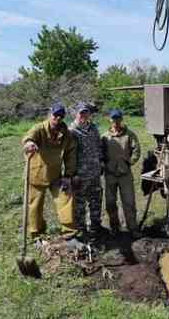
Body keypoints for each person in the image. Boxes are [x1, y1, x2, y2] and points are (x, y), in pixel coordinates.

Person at [22, 103, 80, 246]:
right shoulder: (39, 128)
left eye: (61, 116)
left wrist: (68, 175)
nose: (58, 118)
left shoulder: (66, 133)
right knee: (35, 206)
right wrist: (29, 143)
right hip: (36, 174)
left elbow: (71, 154)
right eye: (55, 115)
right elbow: (29, 137)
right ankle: (37, 235)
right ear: (50, 114)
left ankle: (69, 235)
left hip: (55, 176)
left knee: (66, 199)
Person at [102, 109, 141, 239]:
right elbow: (100, 154)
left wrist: (130, 162)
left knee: (129, 202)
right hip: (110, 175)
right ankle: (114, 228)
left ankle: (133, 228)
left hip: (125, 174)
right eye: (113, 119)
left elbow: (136, 150)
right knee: (110, 203)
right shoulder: (105, 137)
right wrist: (104, 165)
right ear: (110, 120)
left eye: (118, 118)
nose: (116, 122)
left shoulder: (130, 135)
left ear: (121, 119)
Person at [69, 102, 103, 240]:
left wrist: (101, 162)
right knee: (80, 204)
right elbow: (68, 155)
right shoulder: (71, 131)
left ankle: (96, 226)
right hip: (80, 175)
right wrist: (73, 174)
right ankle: (82, 230)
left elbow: (99, 146)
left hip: (95, 172)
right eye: (81, 112)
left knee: (96, 200)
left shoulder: (93, 128)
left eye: (86, 112)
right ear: (76, 114)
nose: (84, 115)